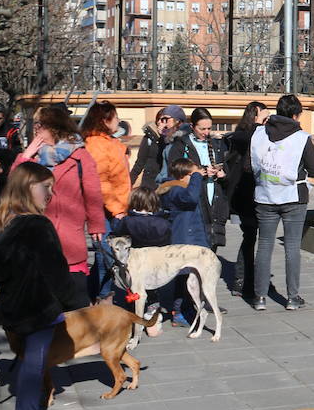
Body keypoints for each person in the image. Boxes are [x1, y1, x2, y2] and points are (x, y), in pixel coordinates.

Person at [0, 162, 85, 410]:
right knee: (35, 364)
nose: (50, 194)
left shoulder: (8, 220)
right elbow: (56, 269)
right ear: (28, 188)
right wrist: (74, 302)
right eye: (46, 187)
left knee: (29, 362)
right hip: (38, 306)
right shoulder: (37, 224)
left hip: (16, 305)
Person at [14, 105, 105, 306]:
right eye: (35, 125)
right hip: (38, 237)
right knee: (43, 302)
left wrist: (96, 224)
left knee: (75, 299)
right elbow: (13, 186)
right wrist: (25, 157)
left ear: (54, 128)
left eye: (40, 125)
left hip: (69, 234)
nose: (36, 130)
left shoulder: (80, 155)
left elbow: (92, 192)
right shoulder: (35, 157)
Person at [250, 94, 314, 311]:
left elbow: (251, 163)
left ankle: (260, 297)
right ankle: (292, 297)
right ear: (295, 114)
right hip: (293, 197)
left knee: (264, 246)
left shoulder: (259, 133)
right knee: (292, 247)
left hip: (265, 195)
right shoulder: (301, 137)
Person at [79, 102, 131, 303]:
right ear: (104, 120)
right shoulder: (96, 144)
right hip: (104, 209)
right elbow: (100, 182)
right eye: (115, 116)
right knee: (105, 255)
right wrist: (116, 208)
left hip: (116, 206)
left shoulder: (109, 142)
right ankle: (102, 297)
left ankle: (91, 294)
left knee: (107, 255)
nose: (118, 120)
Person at [166, 107, 229, 249]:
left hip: (214, 198)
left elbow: (226, 170)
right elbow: (175, 171)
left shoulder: (216, 144)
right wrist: (200, 172)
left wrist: (222, 174)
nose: (206, 133)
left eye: (209, 128)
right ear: (192, 126)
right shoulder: (181, 145)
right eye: (202, 129)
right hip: (194, 199)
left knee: (212, 248)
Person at [158, 159, 211, 326]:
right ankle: (179, 312)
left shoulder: (177, 187)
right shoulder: (175, 189)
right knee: (185, 278)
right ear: (184, 176)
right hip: (185, 240)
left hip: (191, 237)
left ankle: (187, 309)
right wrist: (196, 177)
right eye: (193, 174)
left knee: (192, 277)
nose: (196, 177)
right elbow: (191, 198)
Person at [225, 101, 268, 297]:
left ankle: (246, 280)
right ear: (253, 115)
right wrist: (261, 124)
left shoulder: (256, 133)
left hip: (257, 192)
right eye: (262, 117)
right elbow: (247, 138)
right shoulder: (243, 134)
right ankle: (242, 280)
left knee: (252, 237)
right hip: (244, 194)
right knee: (250, 236)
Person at [130, 104, 186, 189]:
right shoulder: (150, 137)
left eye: (164, 120)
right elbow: (139, 163)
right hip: (150, 183)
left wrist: (165, 136)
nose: (161, 122)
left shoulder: (176, 139)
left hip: (166, 182)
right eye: (159, 119)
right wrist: (129, 183)